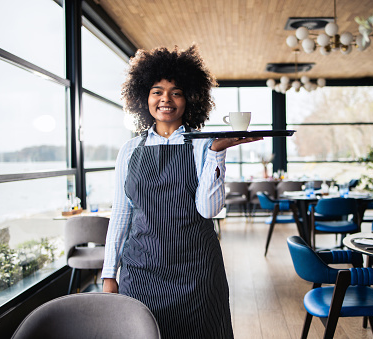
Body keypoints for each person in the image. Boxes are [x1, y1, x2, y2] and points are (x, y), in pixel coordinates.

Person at [101, 45, 261, 338]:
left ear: (190, 98)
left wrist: (216, 153)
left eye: (176, 92)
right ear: (142, 98)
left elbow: (209, 210)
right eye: (157, 91)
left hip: (196, 270)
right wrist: (109, 273)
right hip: (141, 270)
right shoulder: (129, 150)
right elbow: (121, 214)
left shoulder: (203, 144)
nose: (166, 99)